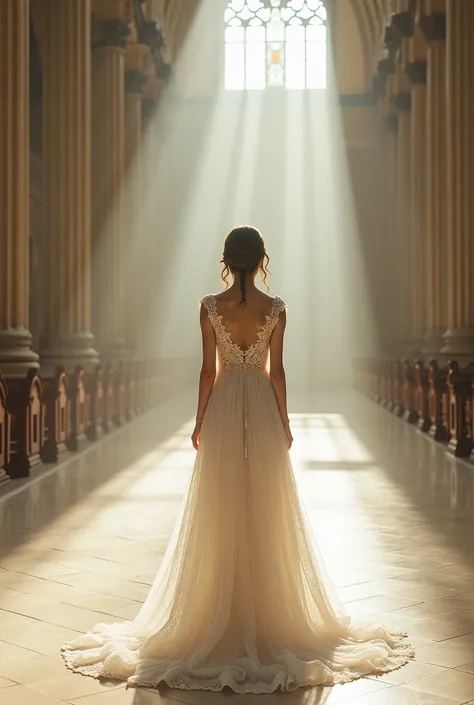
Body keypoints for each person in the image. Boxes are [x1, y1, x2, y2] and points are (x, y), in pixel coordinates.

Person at [62, 226, 413, 693]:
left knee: (219, 500)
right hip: (263, 407)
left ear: (227, 260)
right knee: (268, 502)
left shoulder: (210, 306)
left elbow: (209, 369)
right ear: (262, 258)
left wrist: (199, 418)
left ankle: (216, 608)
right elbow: (278, 371)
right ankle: (270, 607)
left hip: (226, 403)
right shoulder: (277, 309)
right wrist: (284, 422)